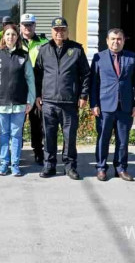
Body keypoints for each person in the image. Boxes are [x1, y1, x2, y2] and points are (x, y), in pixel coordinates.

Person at [33, 17, 90, 180]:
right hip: (49, 101)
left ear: (67, 31)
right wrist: (38, 94)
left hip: (69, 102)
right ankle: (49, 166)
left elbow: (86, 74)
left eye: (63, 29)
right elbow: (37, 74)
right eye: (56, 30)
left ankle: (70, 166)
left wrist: (83, 95)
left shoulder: (76, 50)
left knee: (69, 137)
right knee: (49, 136)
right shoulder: (44, 50)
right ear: (52, 31)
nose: (60, 32)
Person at [90, 28, 135, 182]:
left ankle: (121, 168)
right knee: (103, 139)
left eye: (119, 39)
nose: (116, 42)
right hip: (105, 106)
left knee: (123, 140)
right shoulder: (98, 58)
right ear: (107, 40)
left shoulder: (131, 57)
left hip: (125, 107)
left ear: (123, 40)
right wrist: (94, 104)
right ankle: (101, 168)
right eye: (113, 39)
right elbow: (94, 84)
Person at [0, 24, 35, 177]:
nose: (10, 37)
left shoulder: (24, 55)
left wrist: (30, 100)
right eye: (7, 34)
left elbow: (30, 79)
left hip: (19, 103)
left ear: (17, 37)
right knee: (3, 134)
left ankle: (15, 164)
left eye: (13, 34)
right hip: (0, 102)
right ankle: (3, 164)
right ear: (3, 37)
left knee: (16, 134)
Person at [19, 13, 48, 165]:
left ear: (35, 26)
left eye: (30, 24)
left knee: (37, 122)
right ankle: (17, 152)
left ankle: (38, 151)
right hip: (20, 87)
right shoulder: (16, 41)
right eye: (25, 24)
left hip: (38, 87)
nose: (27, 27)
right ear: (20, 26)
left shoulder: (44, 42)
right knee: (18, 122)